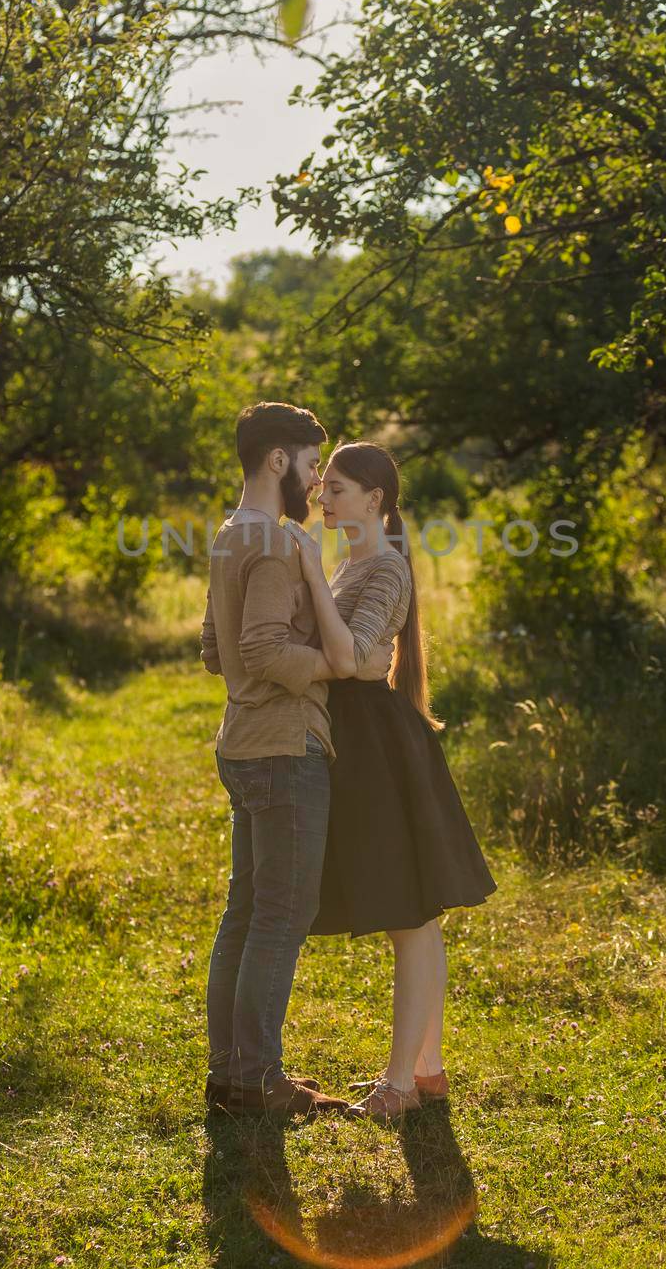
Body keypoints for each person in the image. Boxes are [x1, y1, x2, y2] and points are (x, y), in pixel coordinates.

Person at [285, 441, 498, 1127]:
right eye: (325, 488)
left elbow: (350, 659)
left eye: (337, 489)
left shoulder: (381, 568)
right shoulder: (355, 561)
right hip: (358, 739)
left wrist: (307, 579)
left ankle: (397, 1081)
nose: (323, 498)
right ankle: (425, 1068)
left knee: (410, 916)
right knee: (411, 916)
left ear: (374, 499)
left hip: (375, 740)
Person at [199, 403, 394, 1121]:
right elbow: (255, 649)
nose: (316, 483)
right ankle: (255, 1082)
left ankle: (230, 1074)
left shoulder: (228, 534)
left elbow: (213, 649)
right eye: (312, 465)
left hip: (241, 743)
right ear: (278, 461)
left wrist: (263, 675)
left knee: (247, 912)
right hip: (283, 749)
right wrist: (337, 668)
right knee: (280, 917)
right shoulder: (276, 544)